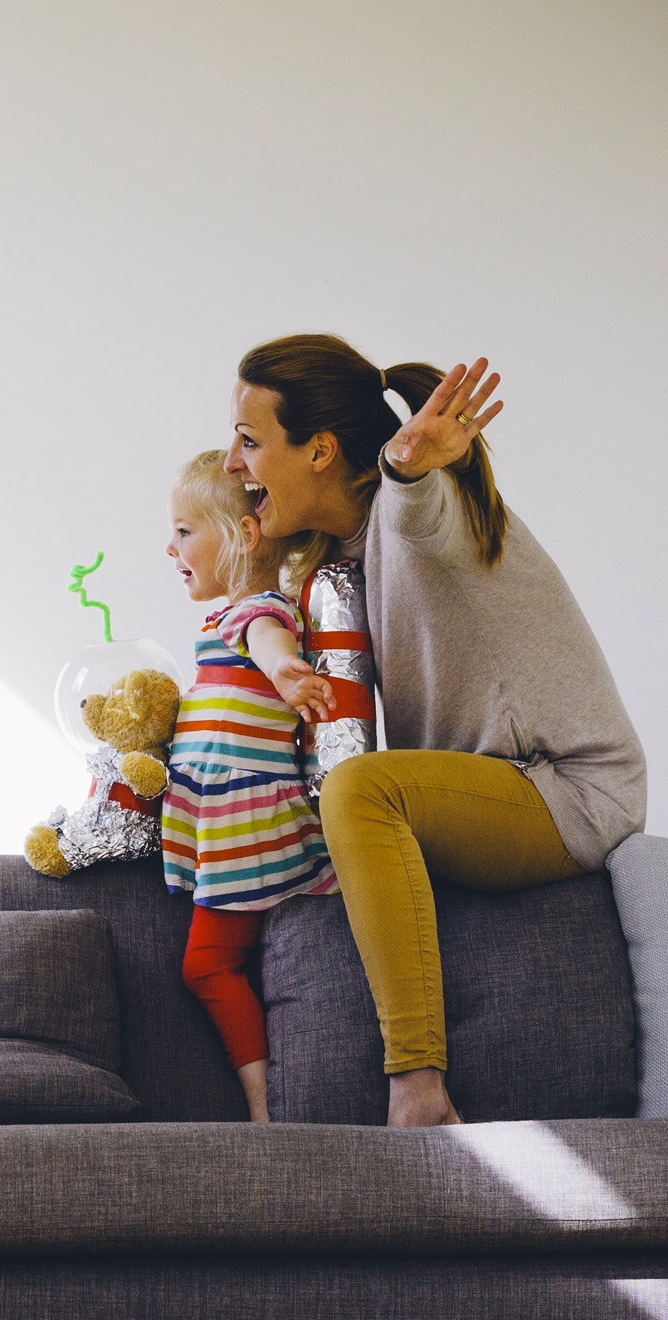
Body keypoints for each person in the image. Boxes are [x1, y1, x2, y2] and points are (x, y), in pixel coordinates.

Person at [223, 333, 647, 1126]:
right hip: (503, 788)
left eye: (249, 441)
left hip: (570, 788)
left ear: (321, 451)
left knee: (360, 790)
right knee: (347, 787)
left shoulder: (411, 512)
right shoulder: (332, 566)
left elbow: (421, 506)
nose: (231, 464)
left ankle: (417, 1088)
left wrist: (410, 465)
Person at [161, 450, 339, 1122]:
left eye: (184, 531)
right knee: (216, 964)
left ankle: (263, 1105)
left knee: (204, 967)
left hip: (242, 824)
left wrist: (287, 670)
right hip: (221, 822)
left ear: (242, 534)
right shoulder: (220, 622)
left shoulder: (258, 611)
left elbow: (268, 640)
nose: (169, 547)